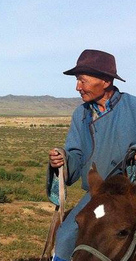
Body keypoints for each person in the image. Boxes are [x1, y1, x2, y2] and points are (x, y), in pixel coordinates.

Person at [48, 49, 136, 261]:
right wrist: (63, 159)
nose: (78, 87)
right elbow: (76, 154)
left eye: (82, 81)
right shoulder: (81, 114)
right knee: (66, 236)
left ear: (105, 81)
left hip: (132, 191)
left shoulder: (133, 107)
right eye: (78, 81)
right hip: (99, 192)